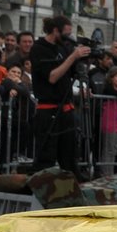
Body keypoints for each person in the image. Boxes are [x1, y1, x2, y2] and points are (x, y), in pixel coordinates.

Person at [29, 15, 91, 177]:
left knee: (70, 154)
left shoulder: (64, 47)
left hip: (66, 110)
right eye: (66, 33)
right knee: (46, 156)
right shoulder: (39, 48)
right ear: (55, 31)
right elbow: (53, 77)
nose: (68, 38)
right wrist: (72, 57)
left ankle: (74, 185)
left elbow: (72, 72)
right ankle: (42, 189)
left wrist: (81, 59)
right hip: (48, 110)